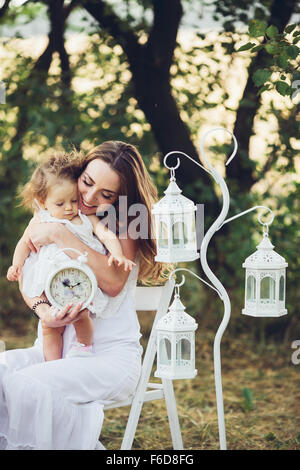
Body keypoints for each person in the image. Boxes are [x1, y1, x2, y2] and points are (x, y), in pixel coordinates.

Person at [0, 141, 169, 450]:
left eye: (106, 195)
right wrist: (43, 312)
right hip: (53, 351)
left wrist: (61, 235)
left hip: (108, 359)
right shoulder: (53, 211)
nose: (89, 198)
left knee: (27, 384)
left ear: (121, 198)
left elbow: (114, 283)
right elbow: (31, 277)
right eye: (87, 182)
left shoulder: (123, 223)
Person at [6, 153, 136, 361]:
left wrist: (118, 254)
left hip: (78, 288)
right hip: (53, 290)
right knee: (48, 328)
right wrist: (16, 265)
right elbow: (25, 256)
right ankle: (52, 363)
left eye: (107, 194)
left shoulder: (86, 218)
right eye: (87, 182)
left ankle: (83, 347)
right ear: (44, 201)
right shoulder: (40, 220)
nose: (70, 207)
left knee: (81, 315)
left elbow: (106, 236)